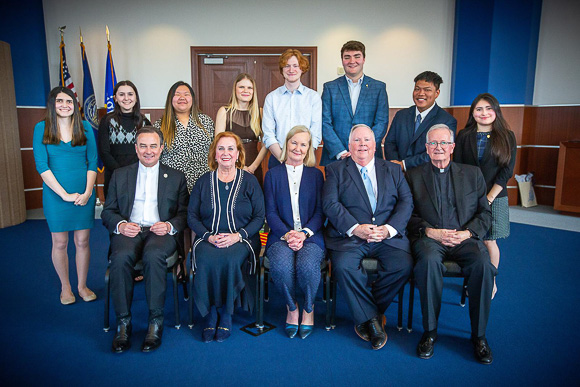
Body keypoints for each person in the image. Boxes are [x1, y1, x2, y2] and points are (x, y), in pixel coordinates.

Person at [406, 124, 496, 364]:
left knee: (483, 265)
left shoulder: (472, 174)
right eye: (433, 144)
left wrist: (467, 233)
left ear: (452, 147)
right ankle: (430, 332)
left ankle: (479, 336)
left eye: (444, 143)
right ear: (426, 148)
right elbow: (407, 215)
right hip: (430, 239)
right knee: (427, 262)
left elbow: (485, 214)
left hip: (463, 238)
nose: (439, 148)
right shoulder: (413, 176)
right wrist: (429, 231)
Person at [322, 124, 413, 350]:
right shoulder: (335, 169)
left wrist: (389, 229)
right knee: (343, 267)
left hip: (386, 236)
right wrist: (355, 227)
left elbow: (406, 202)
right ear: (349, 145)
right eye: (357, 140)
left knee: (403, 265)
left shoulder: (392, 169)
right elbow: (330, 205)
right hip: (351, 236)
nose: (362, 144)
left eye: (367, 140)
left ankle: (366, 312)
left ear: (376, 145)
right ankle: (372, 320)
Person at [101, 126, 189, 353]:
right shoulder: (120, 175)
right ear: (136, 148)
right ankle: (123, 323)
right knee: (120, 258)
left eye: (153, 146)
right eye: (143, 146)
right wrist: (121, 225)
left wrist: (169, 225)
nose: (148, 151)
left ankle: (155, 321)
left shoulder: (176, 177)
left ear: (161, 148)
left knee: (154, 255)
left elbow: (184, 213)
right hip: (129, 229)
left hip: (159, 232)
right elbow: (107, 211)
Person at [188, 132, 265, 343]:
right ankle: (211, 312)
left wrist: (237, 236)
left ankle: (227, 313)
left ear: (238, 154)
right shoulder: (203, 182)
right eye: (221, 149)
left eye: (231, 149)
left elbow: (259, 216)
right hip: (208, 238)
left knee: (230, 258)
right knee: (205, 258)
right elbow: (192, 216)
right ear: (214, 154)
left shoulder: (249, 181)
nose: (226, 153)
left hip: (242, 239)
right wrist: (208, 236)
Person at [32, 86, 98, 305]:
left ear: (74, 105)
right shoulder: (41, 128)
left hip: (83, 192)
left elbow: (92, 162)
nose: (65, 105)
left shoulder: (86, 128)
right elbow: (42, 166)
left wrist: (88, 192)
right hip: (55, 194)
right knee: (60, 242)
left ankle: (81, 285)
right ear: (52, 104)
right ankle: (66, 287)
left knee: (83, 240)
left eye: (69, 101)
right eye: (60, 101)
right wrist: (64, 195)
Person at [264, 126, 325, 339]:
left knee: (307, 266)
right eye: (294, 142)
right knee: (280, 266)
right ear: (286, 144)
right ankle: (292, 307)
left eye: (303, 144)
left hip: (311, 235)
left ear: (309, 149)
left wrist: (304, 234)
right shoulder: (272, 175)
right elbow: (270, 213)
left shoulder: (316, 175)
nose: (297, 148)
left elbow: (320, 212)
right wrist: (289, 234)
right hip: (280, 235)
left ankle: (309, 308)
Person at [454, 93, 517, 299]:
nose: (484, 113)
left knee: (490, 241)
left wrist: (488, 198)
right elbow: (459, 167)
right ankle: (471, 279)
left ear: (496, 111)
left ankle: (490, 280)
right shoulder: (464, 135)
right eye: (479, 109)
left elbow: (506, 171)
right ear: (473, 113)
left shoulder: (507, 136)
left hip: (495, 197)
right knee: (470, 241)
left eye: (489, 108)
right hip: (468, 198)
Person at [321, 40, 389, 166]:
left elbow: (381, 122)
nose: (352, 61)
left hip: (369, 157)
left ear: (364, 59)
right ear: (342, 60)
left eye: (357, 56)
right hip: (336, 158)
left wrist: (364, 148)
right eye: (347, 57)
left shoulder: (378, 88)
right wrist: (341, 152)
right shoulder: (330, 88)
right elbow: (324, 123)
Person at [384, 71, 457, 171]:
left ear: (437, 93)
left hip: (427, 175)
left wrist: (404, 165)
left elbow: (438, 152)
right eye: (417, 89)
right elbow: (390, 143)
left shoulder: (447, 120)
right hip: (398, 174)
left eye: (427, 90)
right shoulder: (401, 115)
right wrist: (396, 166)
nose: (421, 93)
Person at [262, 49, 322, 168]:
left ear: (302, 68)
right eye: (287, 66)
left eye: (295, 66)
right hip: (278, 159)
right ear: (282, 69)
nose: (291, 70)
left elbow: (315, 133)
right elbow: (268, 134)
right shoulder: (272, 98)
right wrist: (283, 158)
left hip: (305, 159)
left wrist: (303, 156)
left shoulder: (313, 97)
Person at [154, 81, 214, 193]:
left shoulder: (206, 122)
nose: (182, 97)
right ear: (170, 99)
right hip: (172, 185)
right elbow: (156, 157)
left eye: (186, 94)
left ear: (192, 99)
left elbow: (215, 151)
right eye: (177, 94)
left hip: (204, 183)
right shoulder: (160, 126)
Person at [98, 80, 151, 199]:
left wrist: (133, 174)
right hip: (114, 177)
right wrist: (122, 173)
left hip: (139, 177)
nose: (126, 98)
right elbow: (104, 152)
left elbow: (149, 152)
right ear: (115, 98)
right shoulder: (107, 121)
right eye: (121, 94)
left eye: (130, 94)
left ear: (136, 98)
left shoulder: (144, 122)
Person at [215, 73, 267, 185]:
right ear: (235, 89)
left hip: (254, 166)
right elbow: (218, 145)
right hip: (230, 167)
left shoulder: (260, 112)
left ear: (253, 91)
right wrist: (238, 167)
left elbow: (265, 144)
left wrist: (253, 167)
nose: (246, 90)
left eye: (249, 88)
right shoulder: (224, 112)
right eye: (241, 87)